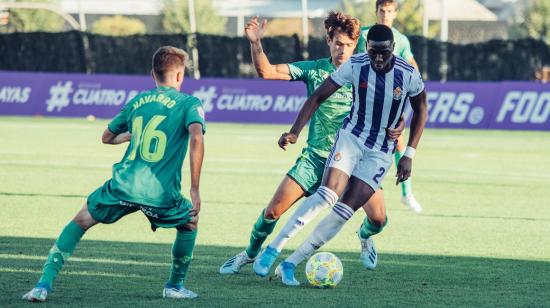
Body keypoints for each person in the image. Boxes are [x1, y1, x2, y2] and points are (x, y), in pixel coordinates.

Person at [219, 13, 404, 277]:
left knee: (378, 219)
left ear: (357, 45)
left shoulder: (366, 72)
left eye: (349, 45)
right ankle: (249, 254)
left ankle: (364, 236)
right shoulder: (314, 69)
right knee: (272, 211)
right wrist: (255, 43)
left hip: (354, 160)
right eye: (338, 43)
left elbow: (394, 105)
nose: (343, 50)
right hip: (316, 159)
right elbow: (267, 71)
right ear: (328, 40)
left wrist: (401, 124)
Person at [22, 46, 206, 302]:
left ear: (152, 74)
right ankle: (174, 286)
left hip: (123, 186)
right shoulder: (189, 103)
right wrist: (195, 188)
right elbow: (196, 137)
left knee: (79, 223)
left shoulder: (137, 101)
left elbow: (107, 137)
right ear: (179, 76)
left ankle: (43, 285)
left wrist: (129, 136)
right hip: (160, 193)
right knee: (189, 223)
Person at [274, 24, 428, 286]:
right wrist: (295, 131)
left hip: (379, 152)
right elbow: (318, 96)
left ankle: (355, 239)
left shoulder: (408, 73)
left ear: (393, 49)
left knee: (359, 214)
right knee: (325, 197)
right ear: (365, 48)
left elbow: (421, 107)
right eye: (373, 52)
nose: (378, 58)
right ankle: (276, 253)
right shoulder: (355, 64)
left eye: (383, 53)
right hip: (350, 140)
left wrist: (408, 153)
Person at [357, 0, 423, 212]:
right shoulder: (362, 35)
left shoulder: (401, 40)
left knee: (397, 140)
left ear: (395, 13)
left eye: (389, 11)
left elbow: (412, 67)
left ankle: (407, 193)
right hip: (360, 98)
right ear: (376, 12)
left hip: (385, 101)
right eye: (381, 11)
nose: (385, 14)